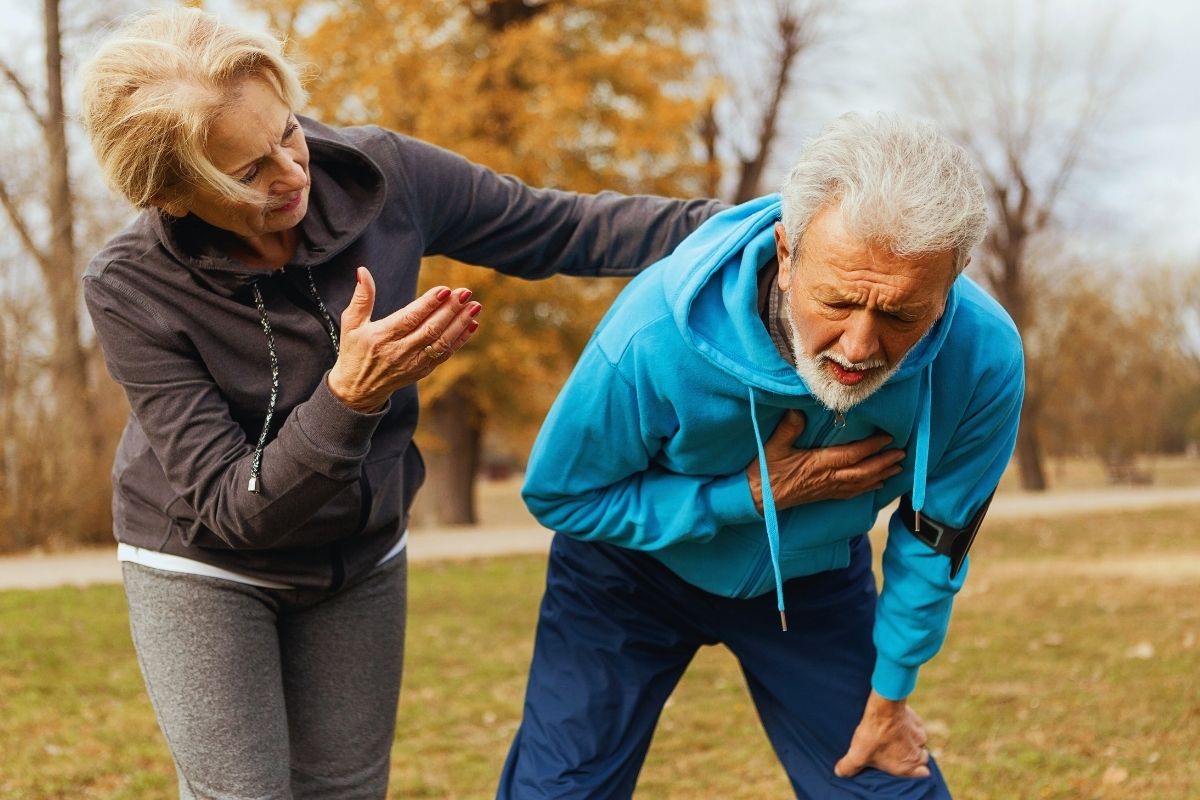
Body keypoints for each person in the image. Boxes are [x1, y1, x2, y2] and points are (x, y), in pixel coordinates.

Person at [78, 8, 721, 799]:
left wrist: (760, 227)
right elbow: (230, 506)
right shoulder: (130, 285)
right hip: (204, 564)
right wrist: (348, 396)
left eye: (286, 133)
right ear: (173, 193)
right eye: (246, 173)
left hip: (359, 551)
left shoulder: (381, 175)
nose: (290, 174)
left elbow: (565, 227)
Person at [499, 112, 1024, 799]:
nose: (859, 348)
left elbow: (936, 536)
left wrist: (891, 689)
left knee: (887, 785)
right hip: (627, 576)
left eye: (900, 315)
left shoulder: (983, 359)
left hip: (812, 581)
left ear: (951, 279)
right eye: (837, 302)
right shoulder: (653, 331)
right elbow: (560, 495)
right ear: (787, 251)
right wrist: (743, 496)